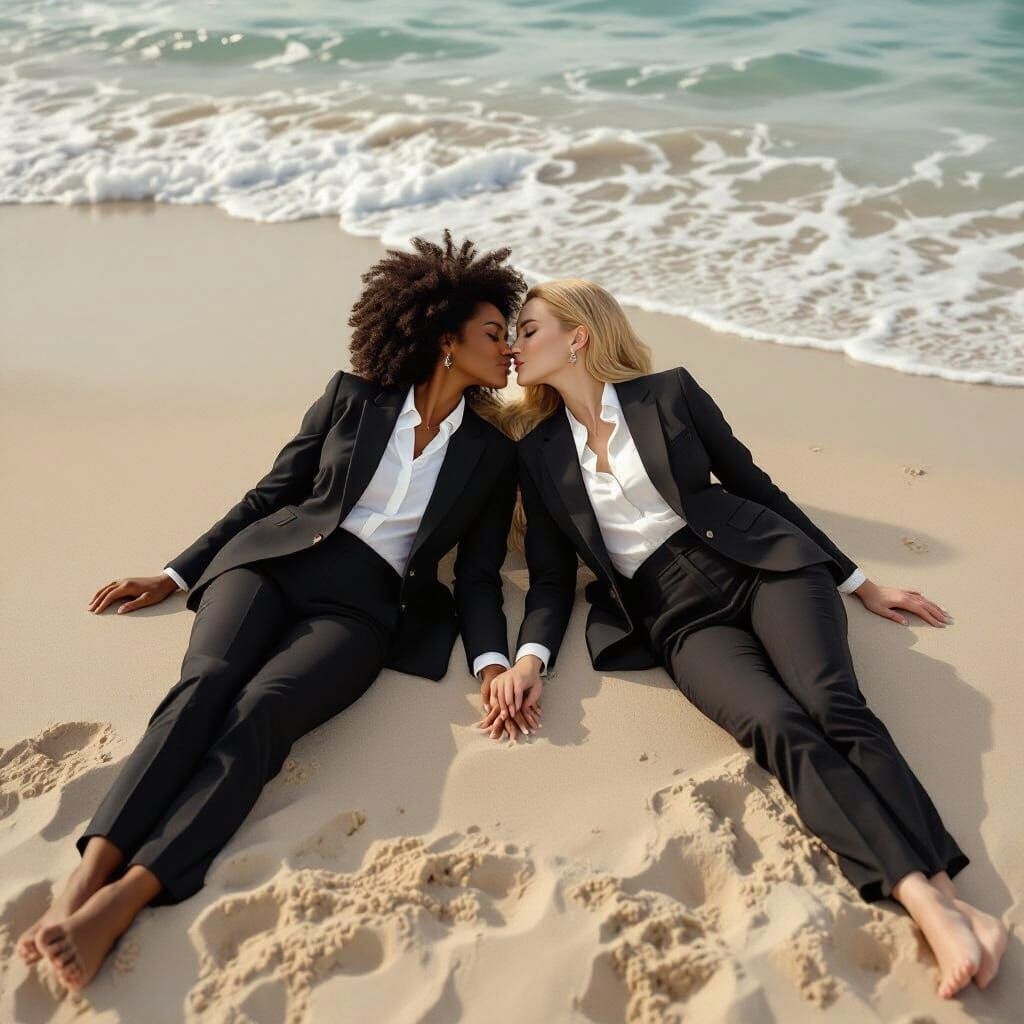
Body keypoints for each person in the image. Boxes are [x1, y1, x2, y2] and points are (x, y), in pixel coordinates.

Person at [18, 230, 529, 991]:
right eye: (494, 333)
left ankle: (124, 900)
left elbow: (479, 577)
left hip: (363, 610)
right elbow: (272, 494)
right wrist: (176, 571)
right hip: (270, 566)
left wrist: (494, 662)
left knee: (264, 712)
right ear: (445, 339)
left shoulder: (491, 453)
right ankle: (82, 883)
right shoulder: (352, 398)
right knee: (204, 686)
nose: (509, 349)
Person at [482, 278, 1007, 1000]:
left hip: (763, 567)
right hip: (674, 615)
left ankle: (942, 902)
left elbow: (756, 487)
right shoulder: (538, 452)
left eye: (528, 328)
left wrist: (859, 582)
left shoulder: (668, 393)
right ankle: (930, 902)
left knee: (831, 703)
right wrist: (528, 659)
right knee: (774, 723)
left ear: (579, 336)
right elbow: (548, 578)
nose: (515, 344)